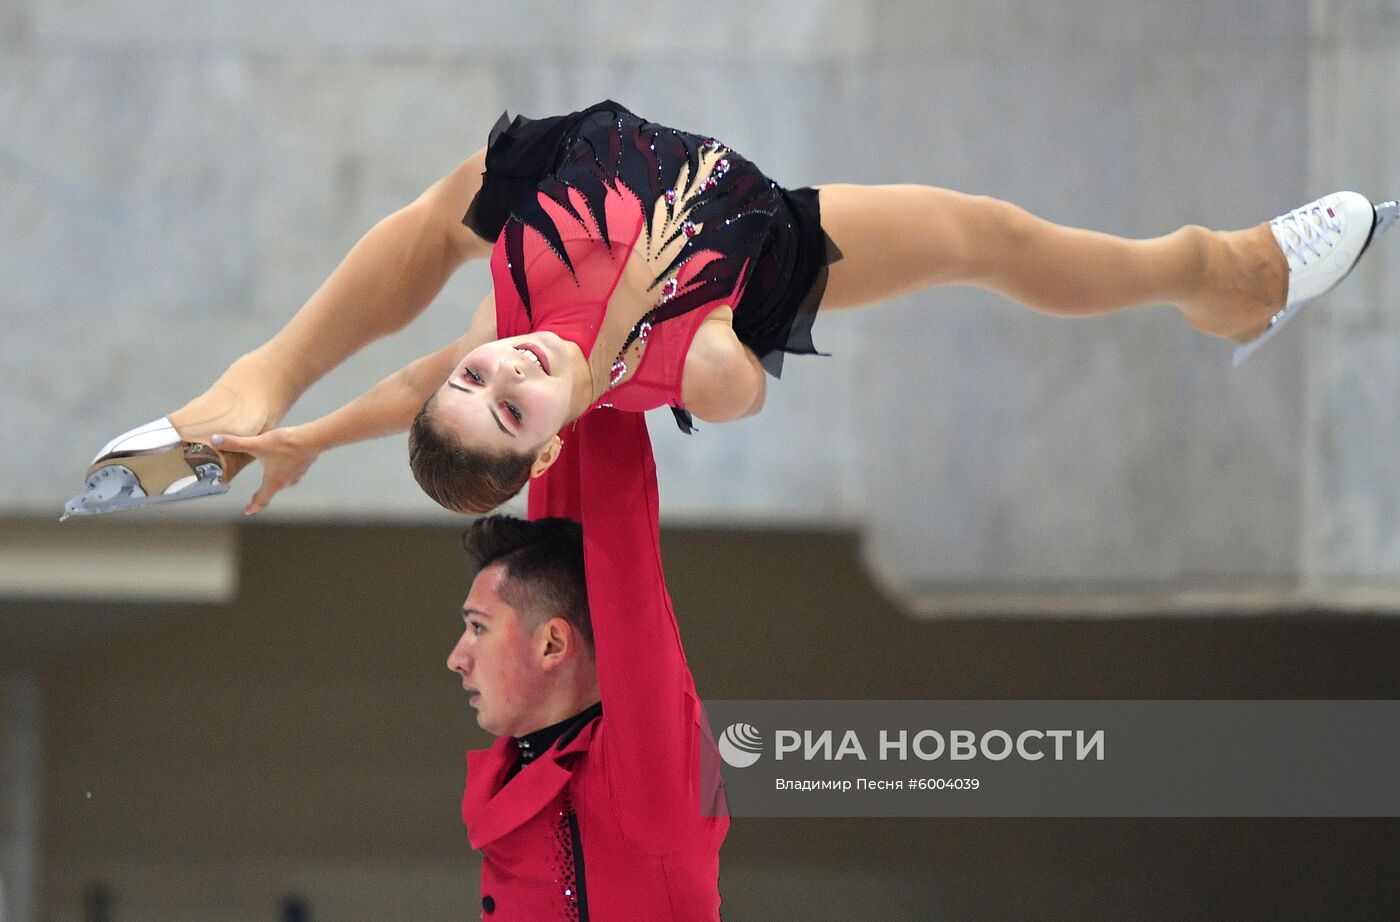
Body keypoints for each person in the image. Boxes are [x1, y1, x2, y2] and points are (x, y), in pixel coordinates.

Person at [68, 100, 1393, 517]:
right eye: (513, 398)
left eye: (476, 374)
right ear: (545, 448)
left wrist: (297, 430)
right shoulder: (670, 373)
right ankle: (1226, 271)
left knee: (441, 221)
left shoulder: (503, 335)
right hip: (767, 251)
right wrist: (689, 343)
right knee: (994, 239)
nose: (498, 365)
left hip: (584, 170)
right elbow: (738, 383)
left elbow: (422, 383)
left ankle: (257, 375)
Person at [449, 407, 727, 919]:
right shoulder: (529, 752)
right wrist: (561, 398)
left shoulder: (648, 776)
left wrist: (601, 370)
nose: (456, 658)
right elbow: (566, 534)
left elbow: (623, 554)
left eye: (478, 628)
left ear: (553, 645)